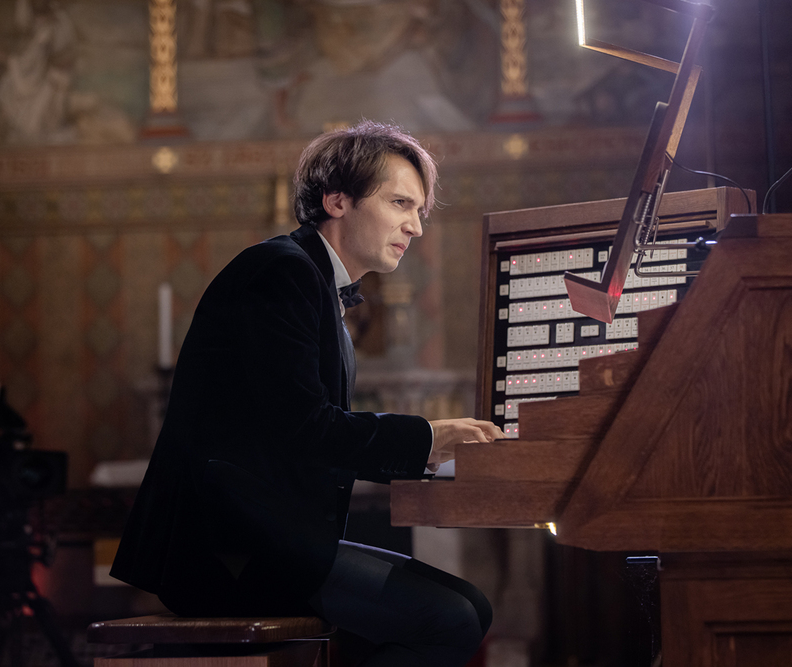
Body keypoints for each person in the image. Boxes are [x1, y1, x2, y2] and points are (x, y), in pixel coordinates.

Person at [111, 120, 504, 666]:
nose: (415, 226)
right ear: (337, 199)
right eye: (399, 203)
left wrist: (430, 453)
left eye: (420, 211)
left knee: (472, 606)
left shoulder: (316, 285)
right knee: (450, 619)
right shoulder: (281, 272)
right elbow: (303, 429)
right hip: (228, 550)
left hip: (269, 538)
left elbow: (301, 432)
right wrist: (428, 439)